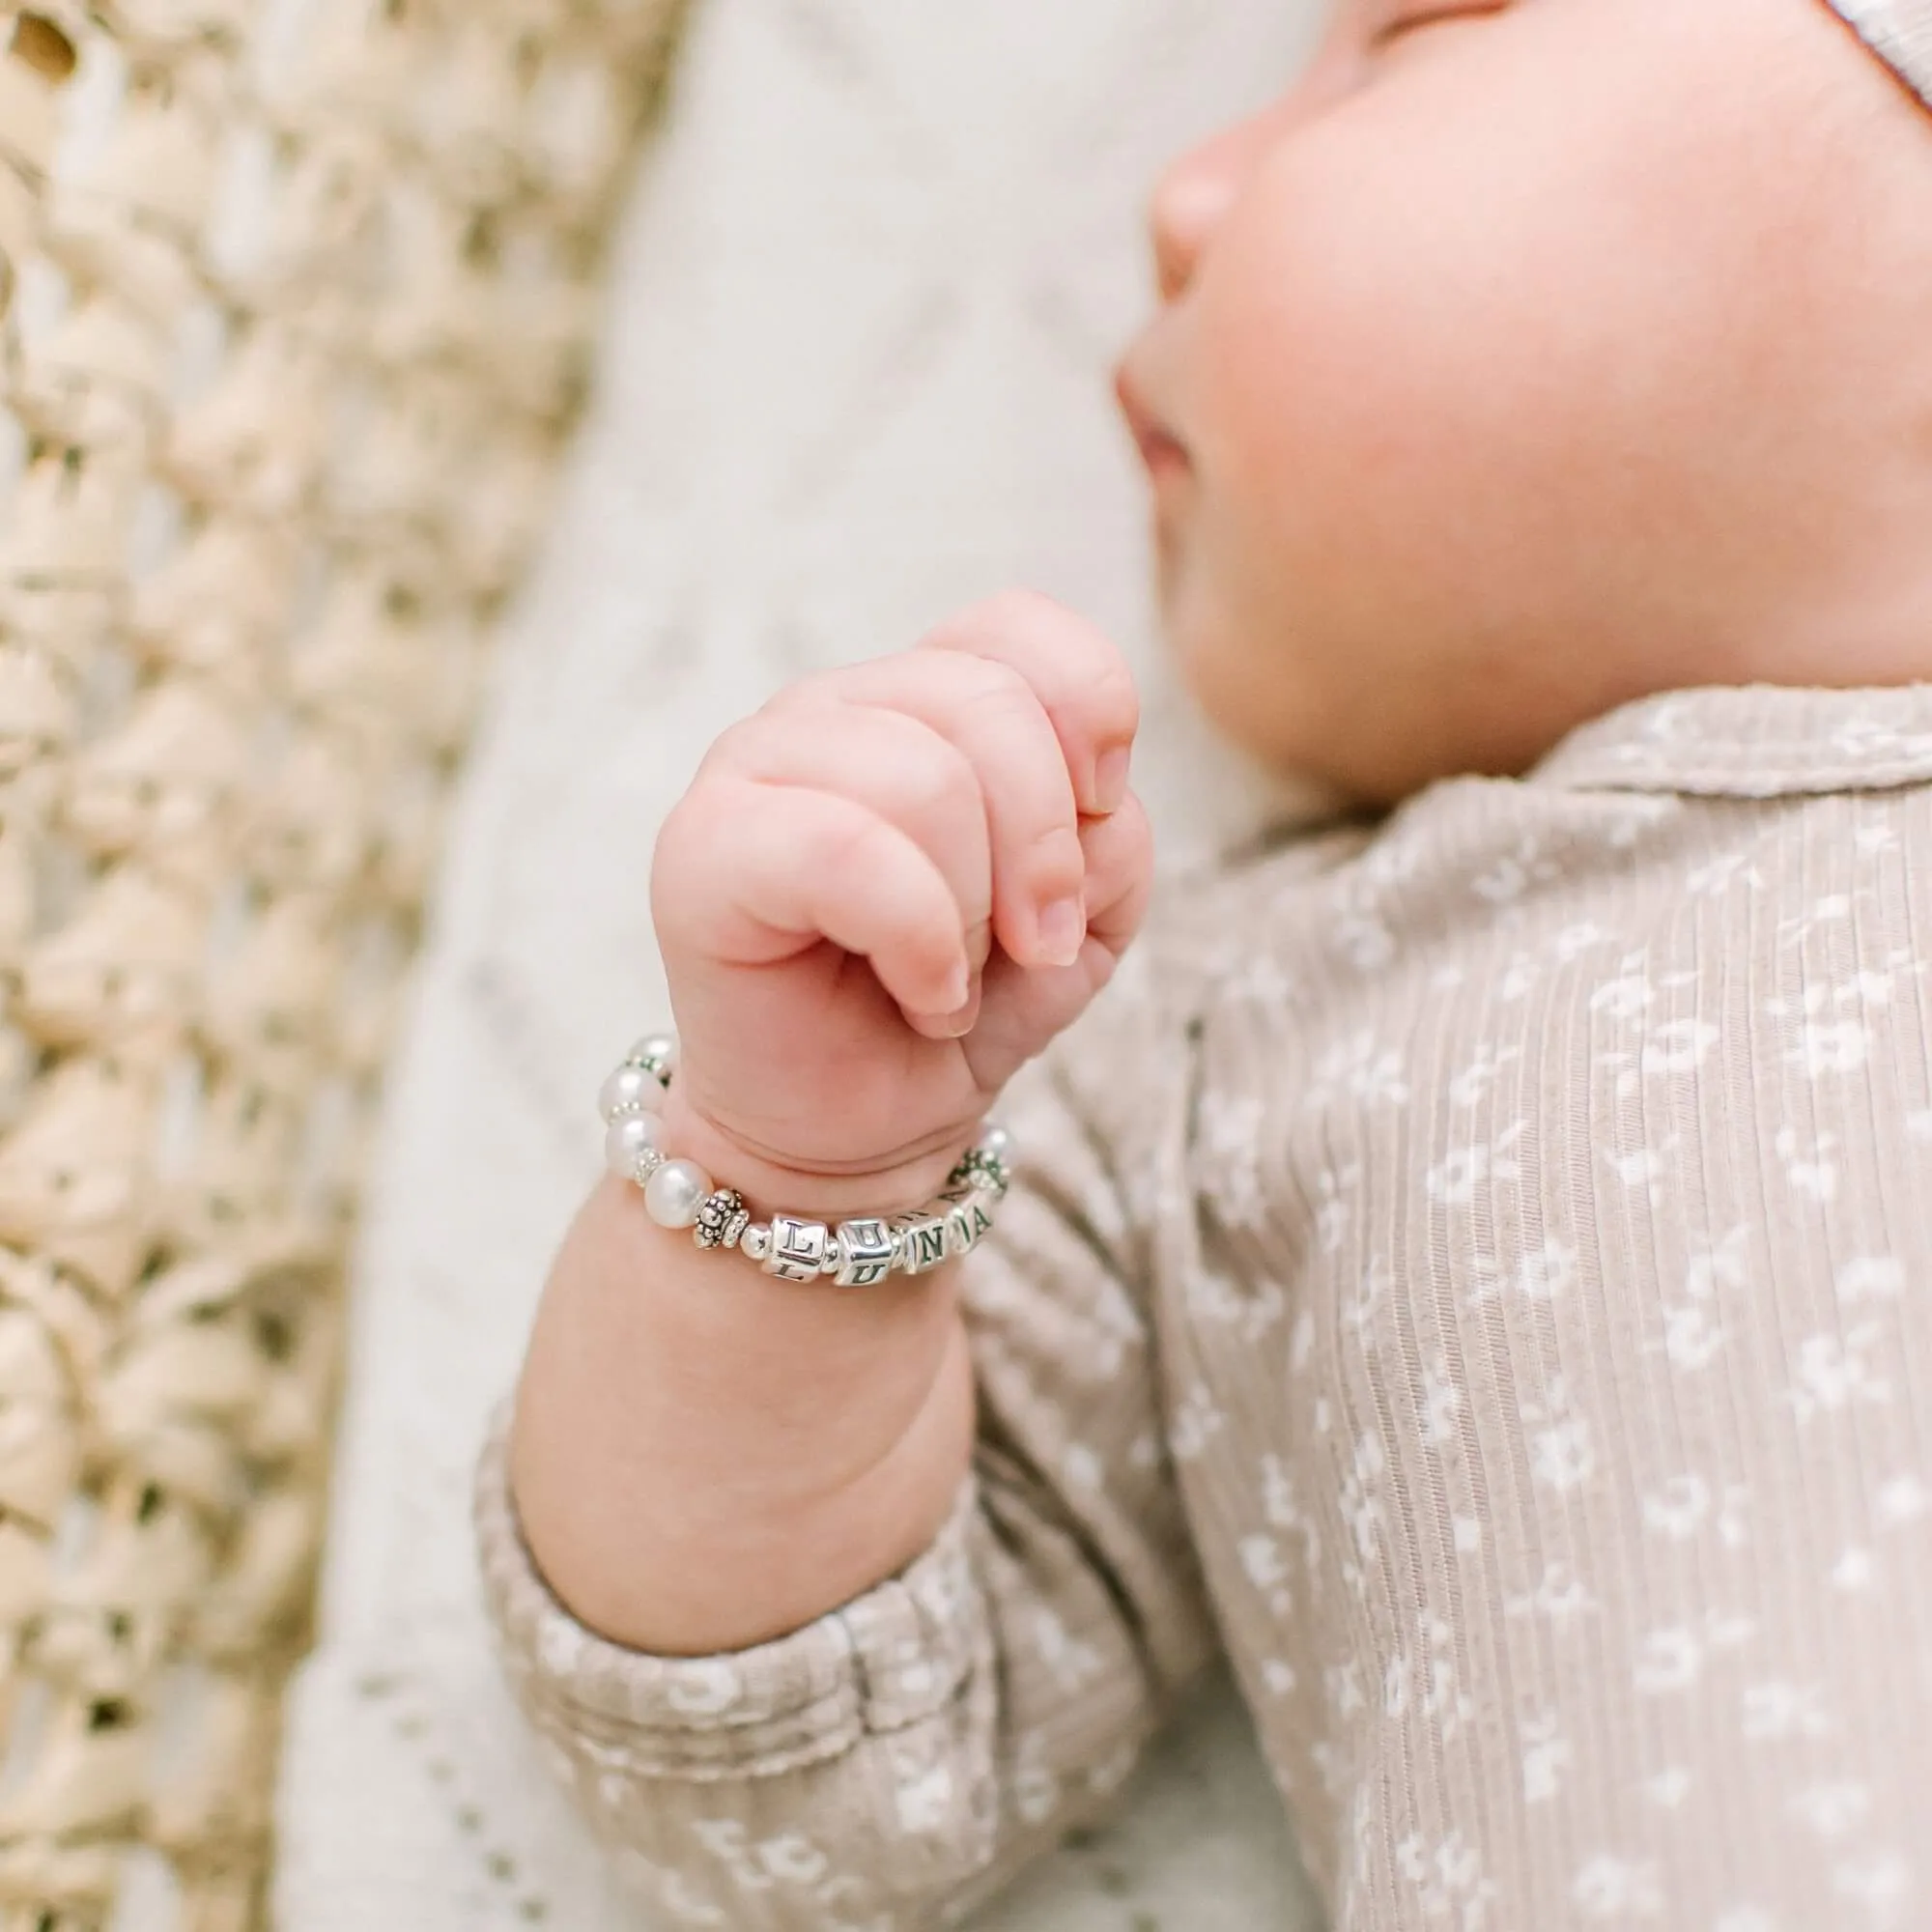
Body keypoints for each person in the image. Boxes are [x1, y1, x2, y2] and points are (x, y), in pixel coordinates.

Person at [475, 0, 1932, 1924]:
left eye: (1400, 45)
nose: (1181, 195)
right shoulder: (1256, 1004)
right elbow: (803, 1782)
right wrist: (793, 1165)